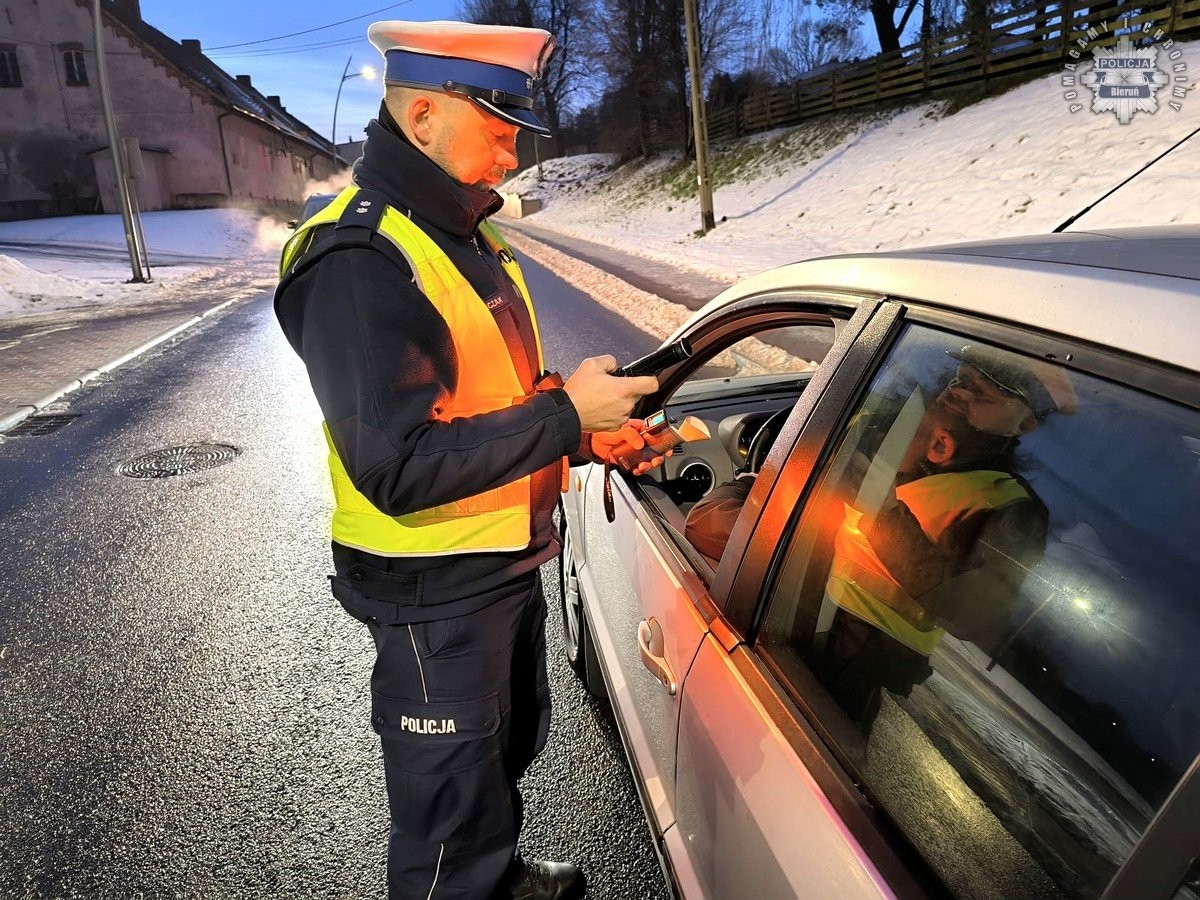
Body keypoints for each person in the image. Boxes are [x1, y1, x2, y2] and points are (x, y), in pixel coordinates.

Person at [273, 20, 662, 900]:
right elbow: (397, 464)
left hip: (497, 564)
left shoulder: (462, 233)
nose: (513, 149)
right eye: (498, 125)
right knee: (446, 817)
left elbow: (489, 397)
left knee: (499, 755)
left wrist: (587, 430)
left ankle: (498, 877)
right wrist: (565, 419)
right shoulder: (361, 257)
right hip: (432, 593)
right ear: (421, 119)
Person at [684, 345, 1076, 728]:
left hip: (850, 670)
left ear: (1024, 423)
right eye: (960, 379)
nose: (958, 391)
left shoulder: (1011, 506)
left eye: (983, 391)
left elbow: (975, 615)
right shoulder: (891, 428)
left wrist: (885, 513)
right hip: (787, 624)